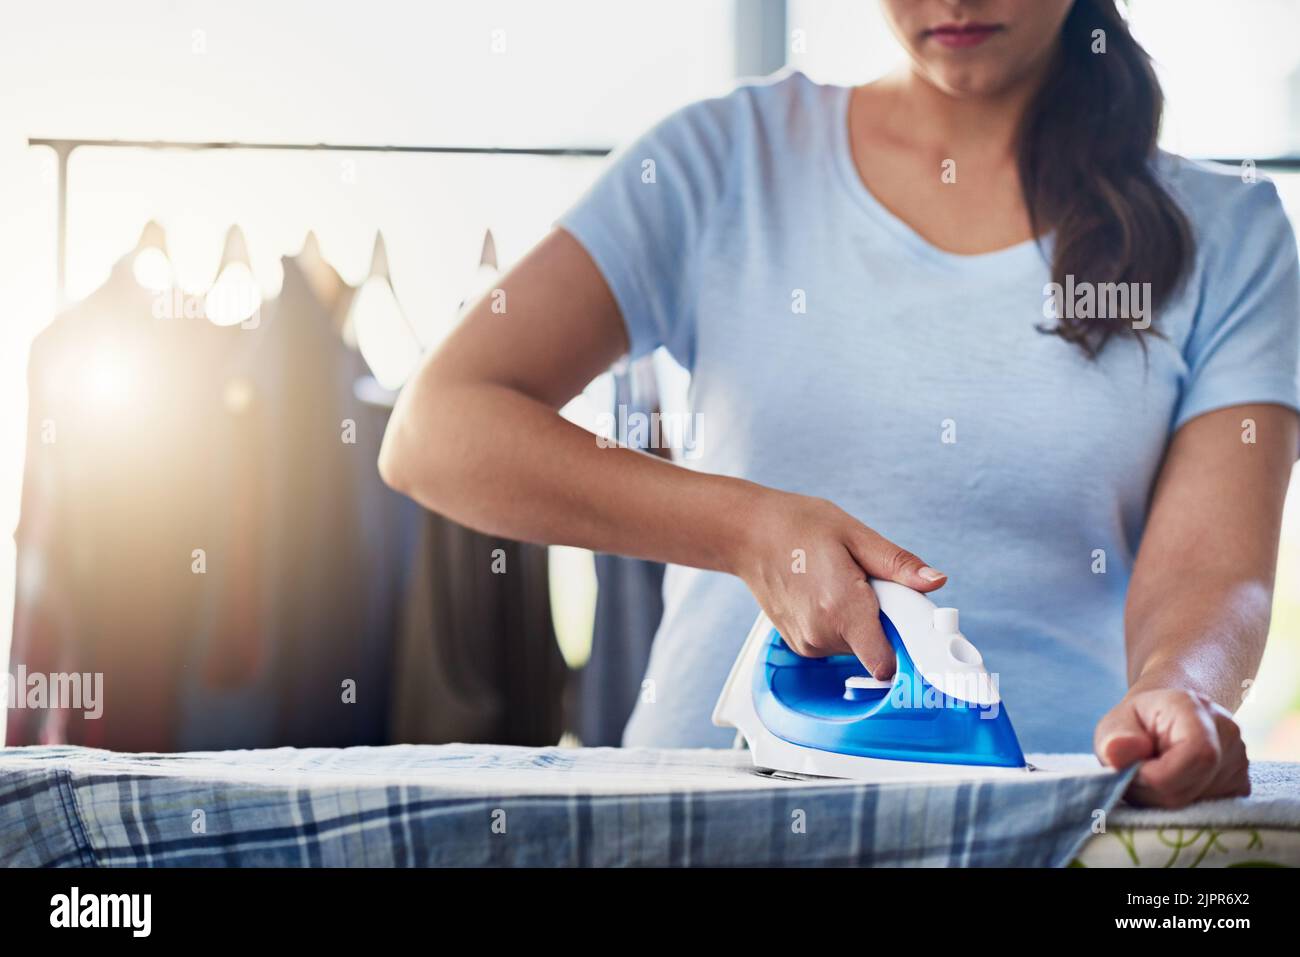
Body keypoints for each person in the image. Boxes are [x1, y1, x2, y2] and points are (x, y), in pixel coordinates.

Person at [380, 0, 1300, 808]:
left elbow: (1216, 569)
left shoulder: (1232, 233)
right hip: (707, 802)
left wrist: (1180, 692)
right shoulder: (723, 159)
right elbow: (435, 429)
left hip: (1055, 809)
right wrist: (748, 530)